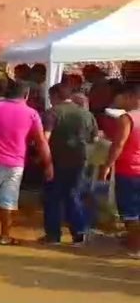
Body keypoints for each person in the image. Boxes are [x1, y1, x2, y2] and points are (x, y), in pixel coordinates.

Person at [0, 79, 52, 245]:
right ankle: (5, 235)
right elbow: (41, 141)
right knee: (8, 198)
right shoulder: (32, 113)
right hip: (17, 162)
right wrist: (48, 163)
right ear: (26, 95)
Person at [42, 82, 98, 246]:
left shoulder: (52, 113)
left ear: (55, 96)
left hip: (56, 161)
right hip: (80, 161)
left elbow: (45, 138)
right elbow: (94, 139)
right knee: (74, 195)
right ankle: (79, 233)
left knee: (53, 198)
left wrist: (45, 161)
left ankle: (53, 235)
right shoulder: (87, 114)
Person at [102, 83, 140, 259]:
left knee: (129, 210)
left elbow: (118, 145)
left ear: (132, 97)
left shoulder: (127, 118)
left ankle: (135, 246)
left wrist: (107, 165)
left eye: (125, 97)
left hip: (129, 169)